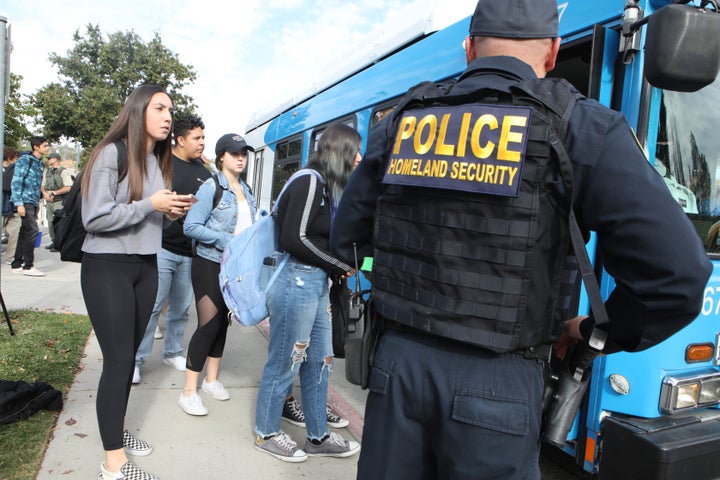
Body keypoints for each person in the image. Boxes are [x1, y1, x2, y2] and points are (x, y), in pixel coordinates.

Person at [329, 1, 713, 478]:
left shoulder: (405, 119)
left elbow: (347, 236)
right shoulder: (582, 126)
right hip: (500, 383)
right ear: (552, 52)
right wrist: (593, 331)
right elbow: (678, 278)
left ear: (468, 49)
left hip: (398, 368)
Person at [80, 84, 194, 480]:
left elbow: (147, 217)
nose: (168, 116)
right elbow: (94, 218)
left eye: (170, 110)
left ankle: (118, 431)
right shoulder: (110, 154)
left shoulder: (156, 161)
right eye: (160, 107)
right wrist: (151, 204)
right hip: (107, 268)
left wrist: (170, 212)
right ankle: (112, 463)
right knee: (117, 361)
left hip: (146, 265)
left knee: (128, 358)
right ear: (139, 109)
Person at [253, 123, 361, 463]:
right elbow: (293, 239)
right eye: (355, 150)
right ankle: (266, 432)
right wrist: (338, 264)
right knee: (285, 360)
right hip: (295, 283)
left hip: (315, 285)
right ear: (340, 152)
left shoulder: (325, 185)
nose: (359, 157)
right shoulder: (309, 181)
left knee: (320, 362)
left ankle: (317, 437)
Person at [180, 133, 257, 416]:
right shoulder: (211, 187)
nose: (240, 158)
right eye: (235, 153)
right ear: (221, 156)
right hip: (209, 263)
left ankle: (211, 381)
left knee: (223, 324)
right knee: (208, 325)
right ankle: (189, 391)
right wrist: (226, 241)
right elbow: (191, 227)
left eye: (244, 154)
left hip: (234, 269)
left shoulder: (246, 189)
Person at [132, 114, 212, 384]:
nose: (202, 143)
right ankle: (136, 360)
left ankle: (173, 351)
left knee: (181, 308)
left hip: (190, 252)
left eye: (203, 138)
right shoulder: (161, 164)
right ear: (180, 140)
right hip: (161, 246)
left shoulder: (204, 172)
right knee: (152, 307)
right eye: (197, 138)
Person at [10, 136, 49, 276]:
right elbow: (16, 182)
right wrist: (19, 203)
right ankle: (28, 266)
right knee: (32, 230)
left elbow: (38, 183)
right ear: (36, 147)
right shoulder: (25, 160)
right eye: (44, 146)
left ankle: (16, 263)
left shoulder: (40, 163)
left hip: (33, 201)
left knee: (25, 231)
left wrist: (43, 193)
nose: (47, 148)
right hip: (25, 201)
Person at [41, 152, 73, 251]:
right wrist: (45, 194)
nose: (49, 160)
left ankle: (60, 243)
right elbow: (43, 185)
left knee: (59, 223)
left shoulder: (63, 171)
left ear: (56, 159)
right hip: (49, 200)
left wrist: (54, 193)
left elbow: (68, 187)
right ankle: (54, 241)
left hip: (59, 200)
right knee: (50, 221)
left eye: (51, 158)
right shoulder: (47, 171)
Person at [2, 147, 21, 264]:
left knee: (15, 235)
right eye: (16, 159)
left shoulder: (17, 171)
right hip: (2, 205)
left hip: (14, 206)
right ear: (9, 158)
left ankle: (11, 257)